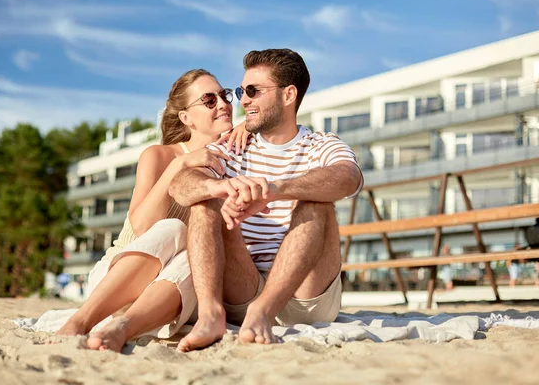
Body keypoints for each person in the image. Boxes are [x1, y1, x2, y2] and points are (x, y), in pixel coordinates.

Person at [169, 48, 363, 352]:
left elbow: (348, 177)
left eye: (253, 91)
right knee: (204, 201)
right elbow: (180, 186)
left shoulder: (322, 145)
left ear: (288, 95)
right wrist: (224, 189)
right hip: (244, 291)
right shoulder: (233, 146)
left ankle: (265, 311)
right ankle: (211, 316)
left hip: (306, 297)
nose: (243, 100)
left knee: (316, 200)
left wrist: (274, 189)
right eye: (242, 91)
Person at [53, 69, 249, 352]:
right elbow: (143, 227)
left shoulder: (233, 160)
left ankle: (121, 328)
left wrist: (248, 127)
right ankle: (80, 321)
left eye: (224, 95)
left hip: (173, 294)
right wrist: (179, 165)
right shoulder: (159, 156)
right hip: (118, 283)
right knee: (176, 229)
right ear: (186, 117)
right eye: (209, 99)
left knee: (201, 258)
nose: (223, 104)